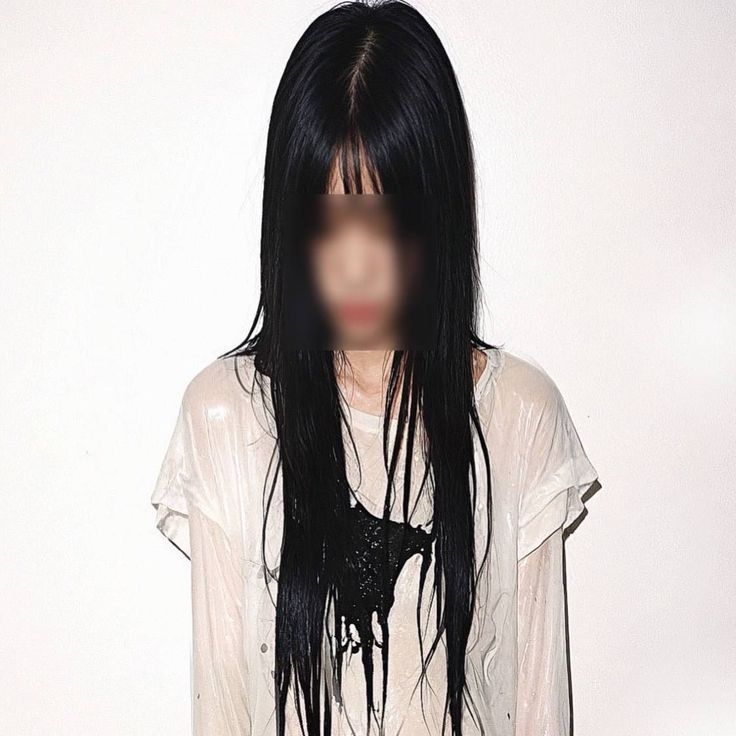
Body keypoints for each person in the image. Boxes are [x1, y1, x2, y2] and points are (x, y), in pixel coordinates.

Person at [150, 2, 600, 734]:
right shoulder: (224, 415)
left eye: (385, 223)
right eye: (327, 223)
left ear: (439, 214)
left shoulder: (518, 413)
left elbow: (538, 709)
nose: (355, 267)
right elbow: (222, 704)